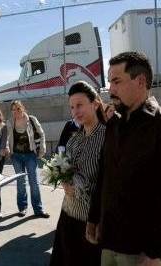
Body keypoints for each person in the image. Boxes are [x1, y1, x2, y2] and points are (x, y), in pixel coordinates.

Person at [87, 51, 161, 266]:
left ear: (140, 81)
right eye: (109, 82)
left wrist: (155, 251)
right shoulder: (114, 123)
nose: (110, 90)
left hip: (141, 251)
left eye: (116, 81)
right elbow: (104, 174)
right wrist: (94, 218)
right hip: (109, 241)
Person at [50, 81, 106, 266]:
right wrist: (61, 177)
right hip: (68, 216)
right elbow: (63, 166)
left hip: (91, 223)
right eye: (72, 107)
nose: (75, 111)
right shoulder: (74, 139)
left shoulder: (108, 138)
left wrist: (78, 185)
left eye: (80, 105)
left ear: (95, 103)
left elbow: (109, 183)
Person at [7, 100, 50, 218]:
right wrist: (7, 149)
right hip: (16, 156)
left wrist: (42, 148)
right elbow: (7, 137)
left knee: (34, 182)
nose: (16, 112)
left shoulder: (31, 119)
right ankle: (22, 208)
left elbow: (41, 134)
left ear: (23, 108)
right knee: (20, 183)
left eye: (18, 109)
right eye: (14, 110)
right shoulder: (10, 122)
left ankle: (38, 209)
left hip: (31, 155)